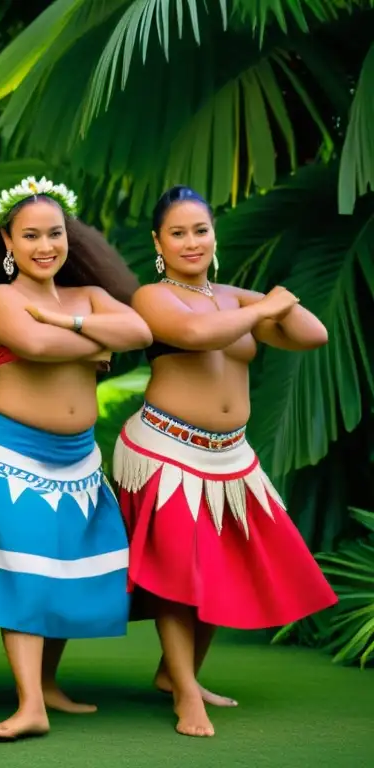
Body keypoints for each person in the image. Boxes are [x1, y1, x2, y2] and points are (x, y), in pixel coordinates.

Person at [111, 185, 336, 738]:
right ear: (159, 242)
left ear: (215, 235)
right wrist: (265, 306)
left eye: (201, 230)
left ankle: (175, 675)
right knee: (176, 574)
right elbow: (194, 333)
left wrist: (276, 303)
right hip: (164, 448)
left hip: (229, 455)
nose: (191, 242)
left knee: (221, 567)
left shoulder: (237, 297)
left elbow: (313, 335)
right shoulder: (153, 297)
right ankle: (188, 694)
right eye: (179, 232)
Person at [0, 176, 152, 740]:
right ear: (7, 243)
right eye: (30, 235)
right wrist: (96, 342)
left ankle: (50, 686)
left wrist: (70, 321)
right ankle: (29, 702)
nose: (45, 246)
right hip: (13, 455)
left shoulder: (84, 296)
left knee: (63, 572)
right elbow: (35, 348)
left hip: (78, 458)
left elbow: (138, 328)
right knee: (30, 578)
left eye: (55, 234)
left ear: (69, 236)